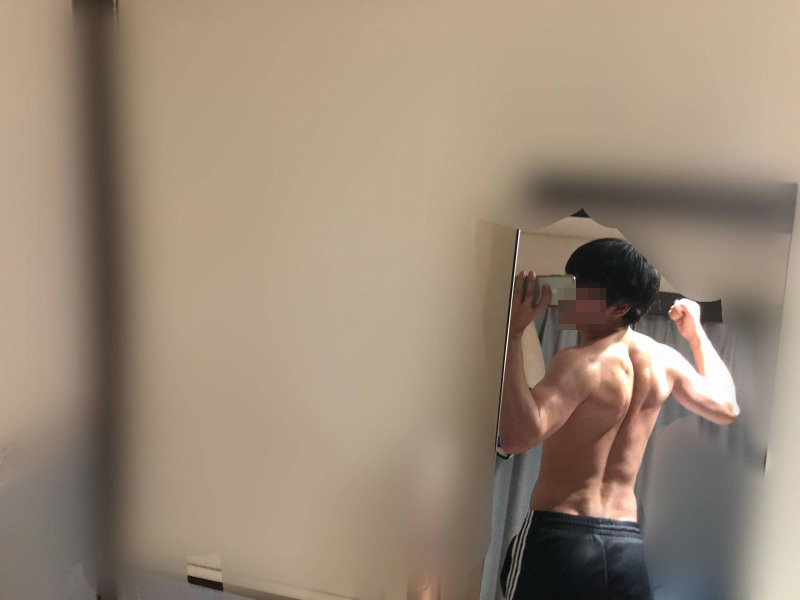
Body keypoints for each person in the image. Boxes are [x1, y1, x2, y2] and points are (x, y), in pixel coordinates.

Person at [498, 238, 739, 600]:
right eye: (570, 282)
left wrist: (513, 334)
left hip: (562, 539)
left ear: (620, 307)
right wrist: (695, 334)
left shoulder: (580, 362)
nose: (568, 296)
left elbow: (518, 437)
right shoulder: (663, 361)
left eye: (581, 290)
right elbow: (727, 407)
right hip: (625, 548)